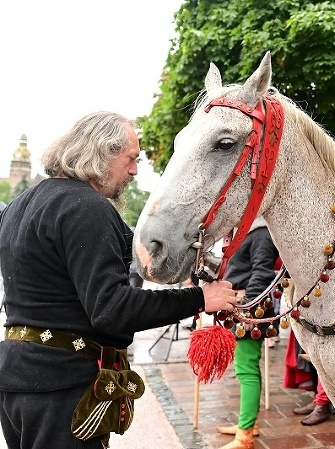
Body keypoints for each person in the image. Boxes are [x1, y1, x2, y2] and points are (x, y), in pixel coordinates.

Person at [0, 111, 238, 449]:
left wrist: (188, 267)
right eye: (131, 159)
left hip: (16, 381)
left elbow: (132, 253)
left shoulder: (18, 206)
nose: (134, 170)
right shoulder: (87, 207)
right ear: (103, 153)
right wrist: (200, 298)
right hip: (61, 389)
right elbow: (112, 308)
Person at [215, 218, 279, 449]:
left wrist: (248, 308)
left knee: (247, 369)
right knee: (246, 368)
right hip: (242, 305)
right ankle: (248, 425)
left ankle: (245, 436)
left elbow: (262, 274)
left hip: (248, 307)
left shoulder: (261, 233)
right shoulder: (250, 233)